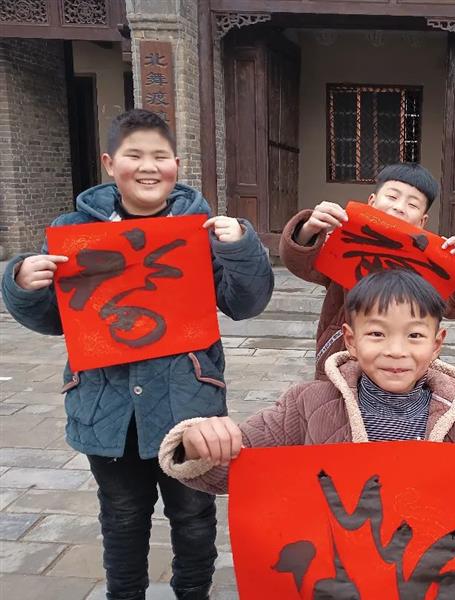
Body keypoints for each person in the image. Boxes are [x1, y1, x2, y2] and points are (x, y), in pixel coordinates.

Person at [1, 109, 275, 600]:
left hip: (187, 404)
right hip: (106, 408)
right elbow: (52, 319)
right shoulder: (72, 231)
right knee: (122, 516)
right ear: (110, 163)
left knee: (193, 514)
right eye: (134, 155)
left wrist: (241, 248)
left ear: (176, 164)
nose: (148, 167)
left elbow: (246, 303)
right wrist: (22, 283)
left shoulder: (203, 229)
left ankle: (193, 592)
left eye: (159, 156)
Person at [158, 269, 455, 526]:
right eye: (376, 334)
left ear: (437, 344)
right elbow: (233, 474)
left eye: (414, 335)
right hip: (335, 576)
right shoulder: (306, 406)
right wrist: (199, 445)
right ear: (350, 340)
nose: (396, 350)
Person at [279, 162, 455, 380]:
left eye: (412, 204)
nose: (399, 207)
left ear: (422, 221)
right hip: (341, 361)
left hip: (403, 367)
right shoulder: (345, 243)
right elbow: (300, 264)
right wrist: (308, 230)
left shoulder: (430, 262)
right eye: (392, 196)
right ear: (372, 201)